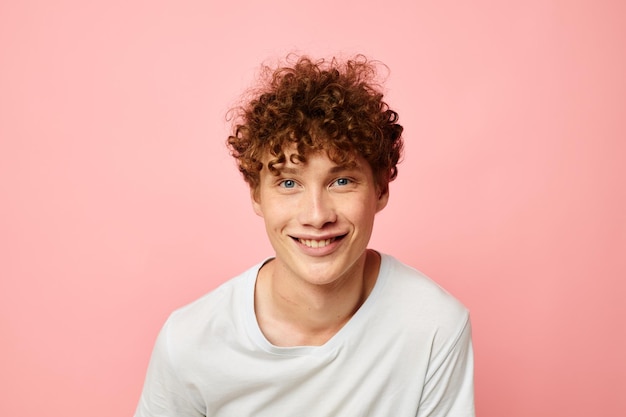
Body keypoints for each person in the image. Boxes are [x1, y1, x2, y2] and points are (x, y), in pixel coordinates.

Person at [134, 55, 475, 417]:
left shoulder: (434, 326)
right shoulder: (189, 341)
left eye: (341, 181)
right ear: (256, 196)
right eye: (289, 183)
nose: (316, 216)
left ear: (380, 189)